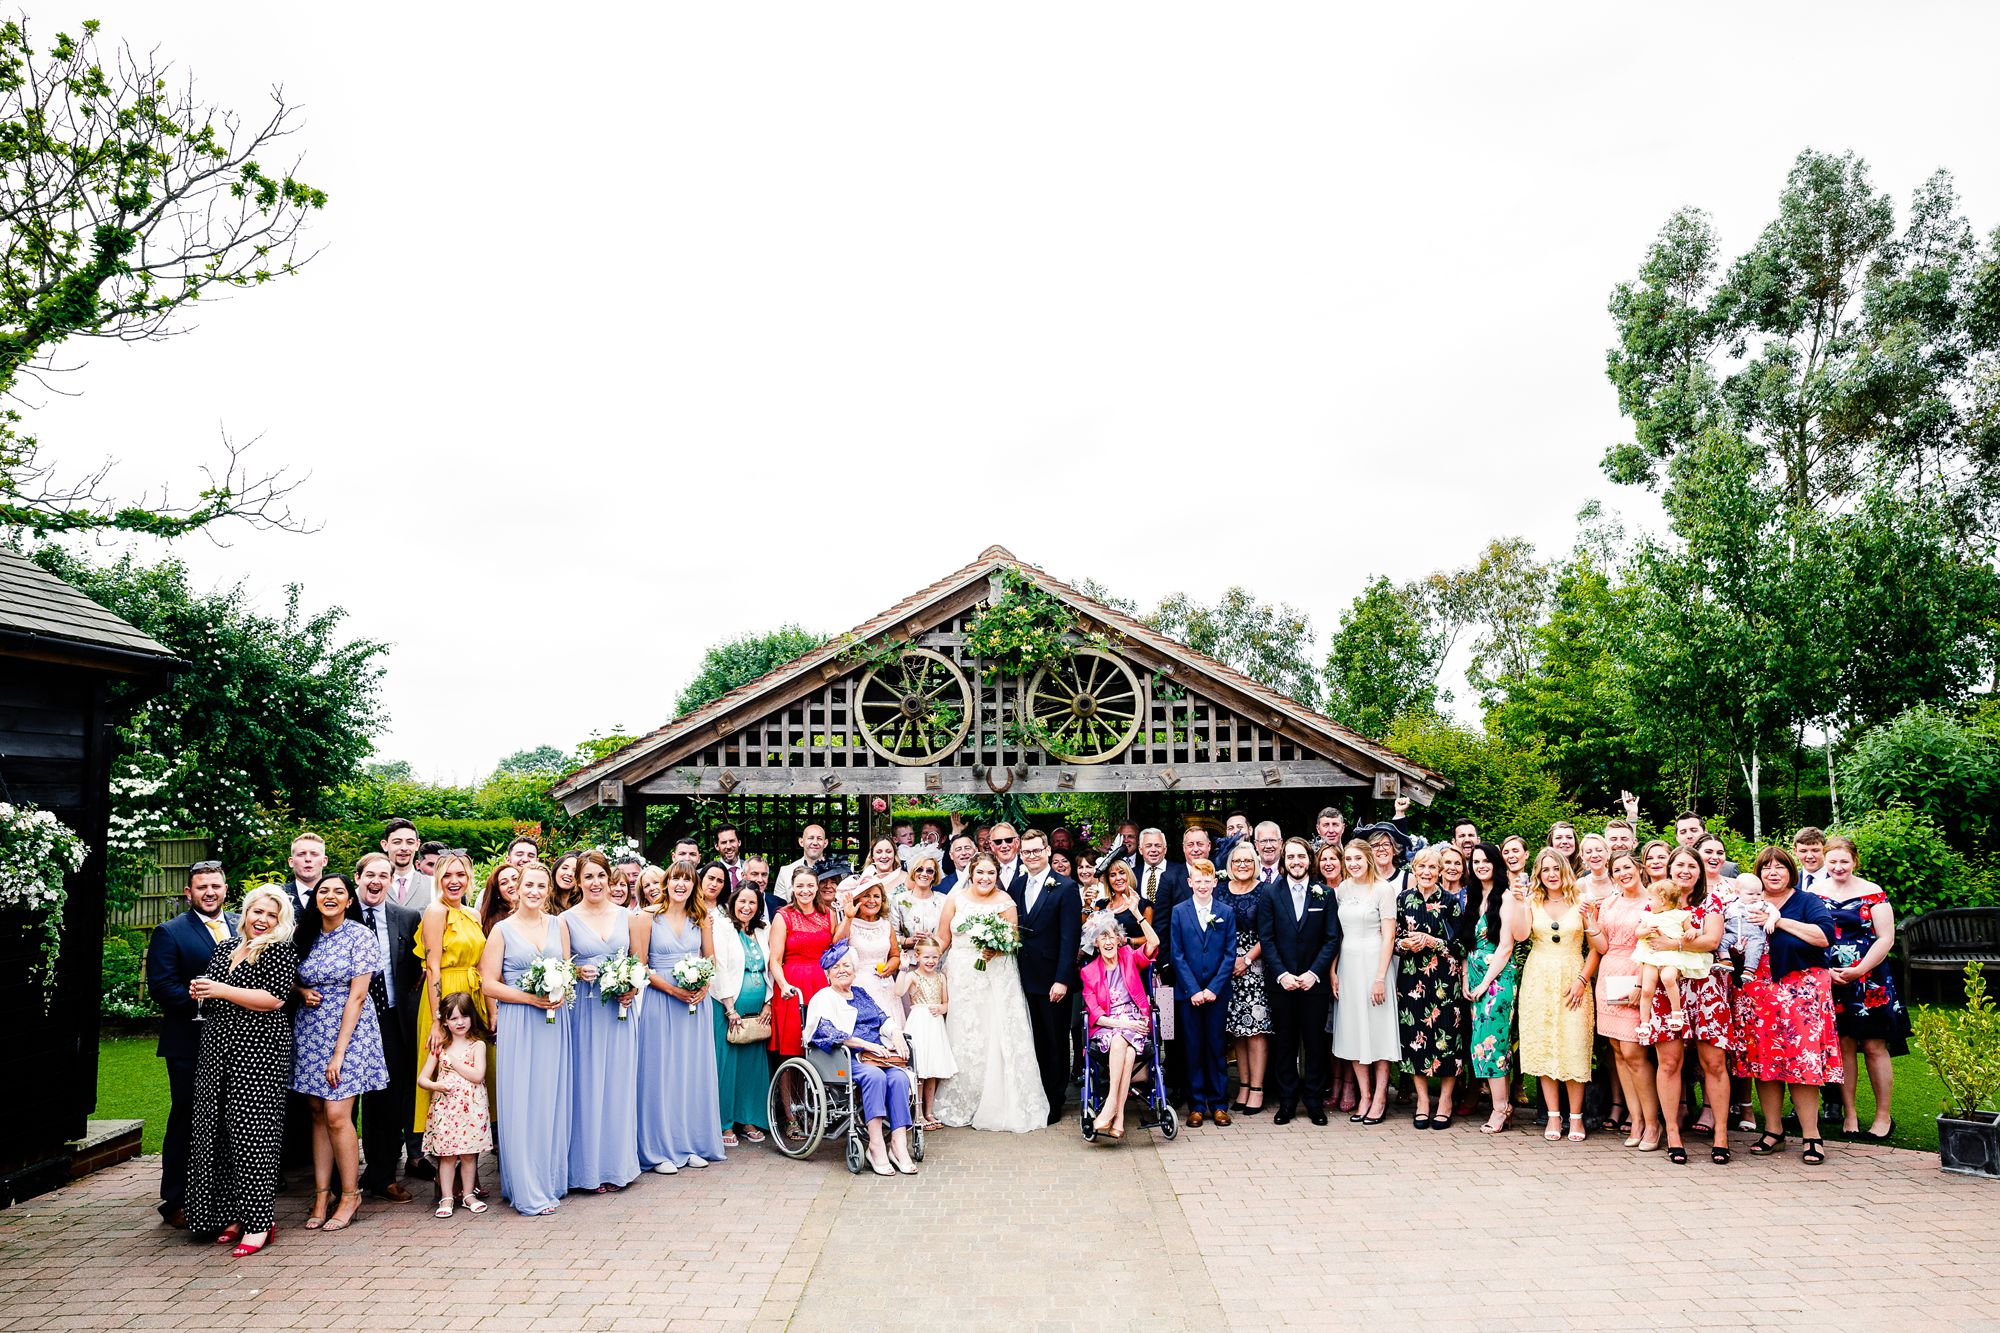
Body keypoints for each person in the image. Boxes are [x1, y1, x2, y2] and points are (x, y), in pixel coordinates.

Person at [184, 886, 300, 1256]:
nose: (262, 920)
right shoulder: (223, 949)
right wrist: (200, 990)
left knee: (254, 1134)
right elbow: (215, 992)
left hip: (258, 1052)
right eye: (257, 912)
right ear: (245, 913)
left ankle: (260, 1222)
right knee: (218, 1132)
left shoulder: (279, 950)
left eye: (271, 915)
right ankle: (234, 1213)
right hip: (218, 1049)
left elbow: (273, 999)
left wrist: (220, 989)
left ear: (280, 921)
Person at [291, 871, 389, 1232]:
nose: (330, 896)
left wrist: (339, 1053)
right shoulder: (304, 935)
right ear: (316, 898)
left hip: (350, 1031)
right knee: (317, 1111)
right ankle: (321, 1193)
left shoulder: (360, 936)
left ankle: (350, 1193)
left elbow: (359, 995)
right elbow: (290, 975)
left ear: (350, 900)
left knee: (336, 1113)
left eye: (338, 892)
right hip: (310, 1030)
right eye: (323, 891)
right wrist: (301, 992)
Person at [1733, 847, 1840, 1166]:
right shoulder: (1748, 901)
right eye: (1766, 868)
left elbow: (1824, 937)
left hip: (1801, 993)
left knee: (1802, 1065)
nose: (1773, 872)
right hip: (1758, 993)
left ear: (1791, 871)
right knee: (1765, 1064)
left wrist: (1778, 922)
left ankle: (1811, 1136)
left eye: (1780, 867)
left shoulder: (1806, 901)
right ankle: (1773, 1132)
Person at [147, 860, 237, 1229]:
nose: (210, 892)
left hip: (236, 1041)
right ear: (189, 892)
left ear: (225, 889)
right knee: (187, 1117)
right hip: (189, 1041)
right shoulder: (170, 932)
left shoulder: (242, 925)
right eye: (202, 887)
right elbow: (162, 987)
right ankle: (176, 1200)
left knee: (226, 1121)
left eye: (215, 886)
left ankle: (217, 1195)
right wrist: (209, 1000)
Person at [478, 861, 571, 1215]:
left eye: (540, 886)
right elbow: (489, 983)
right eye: (527, 885)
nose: (534, 891)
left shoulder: (557, 924)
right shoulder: (502, 930)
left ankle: (549, 1179)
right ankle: (526, 1187)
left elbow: (566, 967)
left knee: (550, 1098)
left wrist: (562, 989)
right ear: (516, 888)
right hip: (520, 1019)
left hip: (553, 1021)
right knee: (523, 1101)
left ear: (548, 891)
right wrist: (531, 997)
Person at [934, 852, 1049, 1132]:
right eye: (980, 873)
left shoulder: (1005, 901)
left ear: (997, 876)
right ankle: (964, 1099)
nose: (985, 878)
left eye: (991, 873)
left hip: (995, 977)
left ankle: (996, 1101)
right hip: (960, 977)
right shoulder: (955, 899)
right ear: (971, 873)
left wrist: (997, 946)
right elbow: (942, 938)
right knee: (962, 1034)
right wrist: (923, 959)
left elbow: (1014, 940)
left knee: (993, 1035)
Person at [1639, 845, 1734, 1164]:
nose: (1685, 871)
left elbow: (1711, 940)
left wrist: (1676, 943)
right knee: (1668, 1063)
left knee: (1715, 1063)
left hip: (1706, 988)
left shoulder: (1711, 901)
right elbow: (1646, 940)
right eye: (1678, 865)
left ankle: (1721, 1134)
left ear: (1700, 870)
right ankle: (1674, 1135)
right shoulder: (1657, 903)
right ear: (1669, 869)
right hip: (1668, 991)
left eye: (1691, 866)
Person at [1814, 836, 1909, 1143]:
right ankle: (1850, 1113)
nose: (1838, 867)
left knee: (1873, 1046)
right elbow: (1811, 935)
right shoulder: (1814, 893)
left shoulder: (1874, 893)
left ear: (1855, 861)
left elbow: (1886, 939)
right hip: (1831, 977)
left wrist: (1860, 969)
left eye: (1844, 861)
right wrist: (1826, 970)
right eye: (1833, 861)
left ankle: (1883, 1115)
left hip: (1869, 978)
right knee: (1843, 1045)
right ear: (1825, 862)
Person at [636, 861, 724, 1175]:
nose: (681, 884)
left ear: (693, 885)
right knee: (661, 1075)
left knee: (690, 1073)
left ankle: (690, 1144)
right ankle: (659, 1149)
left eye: (687, 880)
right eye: (675, 878)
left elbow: (709, 958)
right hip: (661, 1003)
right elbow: (640, 966)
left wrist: (703, 986)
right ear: (666, 882)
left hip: (694, 1006)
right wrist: (673, 990)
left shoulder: (701, 918)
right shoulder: (646, 918)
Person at [563, 850, 642, 1191]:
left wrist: (633, 987)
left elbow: (640, 962)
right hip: (585, 1010)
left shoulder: (628, 917)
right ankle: (588, 1171)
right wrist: (577, 971)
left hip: (619, 1012)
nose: (595, 883)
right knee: (587, 1086)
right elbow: (563, 966)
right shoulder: (565, 919)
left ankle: (617, 1166)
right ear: (579, 882)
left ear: (610, 880)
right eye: (588, 877)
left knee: (618, 1085)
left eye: (600, 876)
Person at [805, 943, 920, 1175]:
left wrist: (896, 1033)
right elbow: (826, 1032)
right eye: (835, 967)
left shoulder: (860, 994)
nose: (842, 970)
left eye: (847, 965)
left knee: (898, 1077)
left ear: (855, 970)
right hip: (844, 1058)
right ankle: (876, 1145)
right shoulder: (823, 997)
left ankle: (898, 1144)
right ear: (827, 973)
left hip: (876, 1055)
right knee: (875, 1077)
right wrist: (867, 1045)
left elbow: (881, 1018)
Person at [353, 853, 423, 1202]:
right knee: (346, 1103)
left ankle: (382, 1175)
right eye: (370, 874)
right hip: (348, 1022)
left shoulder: (406, 917)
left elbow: (415, 967)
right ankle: (342, 1180)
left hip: (392, 1018)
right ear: (359, 878)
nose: (376, 881)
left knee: (389, 1099)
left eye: (384, 875)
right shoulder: (339, 914)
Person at [1514, 847, 1596, 1143]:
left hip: (1573, 974)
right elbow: (1521, 936)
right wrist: (1523, 904)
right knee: (1544, 1044)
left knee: (1574, 1044)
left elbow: (1596, 947)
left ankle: (1576, 1117)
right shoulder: (1532, 901)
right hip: (1539, 977)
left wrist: (1581, 980)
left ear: (1565, 871)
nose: (1551, 874)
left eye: (1556, 868)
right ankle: (1552, 1115)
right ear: (1539, 873)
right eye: (1545, 869)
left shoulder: (1583, 902)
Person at [1259, 837, 1340, 1125]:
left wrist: (1312, 973)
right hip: (1281, 984)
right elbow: (1266, 939)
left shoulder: (1324, 895)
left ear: (1310, 860)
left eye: (1301, 857)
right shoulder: (1270, 894)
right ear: (1284, 861)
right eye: (1291, 857)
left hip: (1313, 983)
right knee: (1285, 1044)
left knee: (1315, 1044)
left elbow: (1332, 939)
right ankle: (1287, 1102)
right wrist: (1282, 974)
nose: (1296, 862)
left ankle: (1314, 1101)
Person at [413, 854, 489, 1153]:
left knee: (472, 1078)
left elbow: (482, 963)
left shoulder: (473, 914)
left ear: (469, 877)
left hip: (471, 997)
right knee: (444, 1074)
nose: (454, 881)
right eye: (446, 876)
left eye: (460, 874)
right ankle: (440, 1168)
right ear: (438, 880)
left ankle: (471, 1166)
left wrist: (488, 1009)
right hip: (444, 998)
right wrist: (436, 1020)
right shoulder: (435, 912)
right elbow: (432, 966)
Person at [1587, 851, 1662, 1151]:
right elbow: (1602, 945)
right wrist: (1589, 921)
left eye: (1627, 867)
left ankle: (1653, 1123)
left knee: (1634, 1052)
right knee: (1618, 1051)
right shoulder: (1611, 903)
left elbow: (1654, 944)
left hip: (1636, 973)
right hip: (1609, 976)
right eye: (1616, 869)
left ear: (1639, 868)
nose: (1622, 873)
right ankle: (1636, 1119)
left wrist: (1642, 984)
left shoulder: (1652, 902)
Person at [1005, 828, 1080, 1123]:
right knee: (1031, 1040)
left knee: (1055, 1042)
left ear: (1047, 851)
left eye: (1037, 850)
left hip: (1052, 979)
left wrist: (1062, 979)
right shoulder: (1017, 885)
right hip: (1022, 977)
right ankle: (1033, 1095)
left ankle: (1054, 1100)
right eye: (1027, 851)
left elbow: (1069, 938)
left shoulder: (1065, 887)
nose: (1032, 856)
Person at [1394, 846, 1465, 1129]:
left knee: (1447, 1037)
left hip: (1444, 981)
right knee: (1415, 1037)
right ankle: (1422, 1100)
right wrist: (1404, 944)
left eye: (1432, 868)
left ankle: (1445, 1100)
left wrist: (1432, 941)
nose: (1426, 872)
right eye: (1421, 867)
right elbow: (1393, 938)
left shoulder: (1450, 902)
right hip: (1412, 979)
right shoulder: (1403, 900)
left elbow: (1461, 944)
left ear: (1439, 872)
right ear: (1414, 870)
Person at [1331, 839, 1398, 1124]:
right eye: (1349, 860)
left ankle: (1381, 1097)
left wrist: (1380, 978)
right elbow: (1337, 935)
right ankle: (1365, 1095)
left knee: (1378, 1032)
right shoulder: (1342, 889)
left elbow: (1389, 936)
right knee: (1354, 1031)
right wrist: (1333, 971)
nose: (1353, 864)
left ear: (1368, 859)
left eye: (1358, 858)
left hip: (1375, 964)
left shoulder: (1383, 890)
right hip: (1348, 965)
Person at [1170, 858, 1236, 1127]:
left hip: (1216, 994)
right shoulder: (1179, 911)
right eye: (1197, 881)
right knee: (1193, 1048)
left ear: (1214, 882)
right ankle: (1197, 1105)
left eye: (1207, 881)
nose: (1202, 885)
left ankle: (1219, 1104)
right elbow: (1177, 954)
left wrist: (1213, 989)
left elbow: (1230, 954)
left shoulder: (1225, 912)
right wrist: (1194, 990)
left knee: (1216, 1047)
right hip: (1189, 994)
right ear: (1190, 883)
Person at [1462, 841, 1521, 1136]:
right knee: (1480, 1044)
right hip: (1474, 975)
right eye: (1476, 861)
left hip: (1497, 980)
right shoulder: (1473, 896)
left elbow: (1507, 946)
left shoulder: (1506, 897)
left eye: (1486, 861)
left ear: (1496, 864)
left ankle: (1500, 1108)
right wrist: (1465, 977)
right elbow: (1467, 944)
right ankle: (1502, 1104)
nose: (1481, 865)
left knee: (1492, 1044)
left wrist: (1485, 982)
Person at [415, 992, 492, 1217]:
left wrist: (454, 1063)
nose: (459, 1022)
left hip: (471, 1109)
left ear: (472, 1018)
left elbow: (478, 1075)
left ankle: (468, 1194)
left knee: (469, 1155)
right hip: (446, 1110)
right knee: (446, 1156)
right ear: (445, 1021)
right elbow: (422, 1079)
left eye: (464, 1017)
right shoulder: (440, 1047)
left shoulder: (477, 1045)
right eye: (453, 1018)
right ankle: (446, 1197)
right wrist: (437, 1086)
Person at [1081, 917, 1155, 1138]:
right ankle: (1118, 1114)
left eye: (1111, 935)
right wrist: (1127, 1024)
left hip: (1135, 1020)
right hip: (1111, 1026)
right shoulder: (1089, 972)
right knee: (1124, 1046)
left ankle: (1111, 1106)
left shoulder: (1129, 958)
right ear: (1095, 943)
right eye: (1102, 937)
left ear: (1119, 939)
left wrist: (1137, 913)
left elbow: (1154, 942)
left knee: (1123, 1042)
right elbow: (1098, 1017)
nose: (1107, 941)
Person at [713, 881, 773, 1144]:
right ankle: (725, 1123)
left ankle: (748, 1119)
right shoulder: (723, 928)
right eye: (742, 901)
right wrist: (729, 1007)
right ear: (733, 902)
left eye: (752, 902)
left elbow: (769, 968)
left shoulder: (763, 930)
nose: (746, 907)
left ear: (758, 906)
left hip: (756, 1011)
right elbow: (720, 967)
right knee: (728, 1068)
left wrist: (768, 1002)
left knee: (752, 1069)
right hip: (730, 1009)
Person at [1222, 842, 1271, 1116]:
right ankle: (1242, 1085)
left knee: (1256, 1030)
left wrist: (1248, 959)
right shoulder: (1221, 890)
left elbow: (1269, 931)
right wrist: (1229, 961)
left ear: (1255, 863)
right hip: (1227, 965)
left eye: (1248, 861)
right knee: (1237, 1031)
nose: (1242, 865)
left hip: (1256, 965)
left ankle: (1257, 1088)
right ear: (1230, 864)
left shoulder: (1265, 891)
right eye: (1238, 861)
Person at [768, 865, 836, 1058]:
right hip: (792, 985)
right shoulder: (783, 916)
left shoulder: (828, 914)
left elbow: (836, 948)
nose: (805, 890)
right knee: (792, 1046)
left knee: (821, 1044)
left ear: (816, 888)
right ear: (792, 888)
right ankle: (788, 1088)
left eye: (809, 885)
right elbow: (775, 960)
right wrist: (783, 985)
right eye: (799, 886)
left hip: (821, 983)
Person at [1634, 876, 1710, 1032]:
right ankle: (1644, 1023)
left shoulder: (1680, 915)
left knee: (1668, 978)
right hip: (1651, 956)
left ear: (1662, 900)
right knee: (1647, 989)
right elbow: (1638, 933)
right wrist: (1647, 931)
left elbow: (1690, 928)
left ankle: (1676, 1014)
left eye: (1651, 899)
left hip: (1671, 957)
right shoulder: (1648, 916)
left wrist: (1691, 932)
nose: (1648, 903)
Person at [897, 940, 957, 1128]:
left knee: (933, 1071)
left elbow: (947, 1003)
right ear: (917, 957)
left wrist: (941, 1008)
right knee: (920, 1070)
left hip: (935, 1024)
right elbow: (898, 991)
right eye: (926, 957)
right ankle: (918, 1114)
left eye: (934, 957)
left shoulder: (941, 978)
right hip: (919, 1024)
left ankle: (929, 1112)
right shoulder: (912, 976)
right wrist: (902, 968)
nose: (930, 961)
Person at [835, 879, 902, 1017]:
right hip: (859, 986)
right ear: (857, 899)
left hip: (885, 987)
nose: (872, 900)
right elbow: (837, 946)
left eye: (876, 896)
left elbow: (895, 955)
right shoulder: (849, 923)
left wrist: (891, 965)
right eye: (866, 896)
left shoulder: (886, 925)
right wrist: (848, 918)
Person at [890, 856, 946, 979]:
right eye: (919, 869)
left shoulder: (944, 901)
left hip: (937, 965)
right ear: (913, 872)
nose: (924, 874)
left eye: (929, 871)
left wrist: (933, 940)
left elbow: (948, 935)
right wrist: (909, 941)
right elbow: (891, 937)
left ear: (935, 875)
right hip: (909, 966)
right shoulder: (899, 900)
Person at [381, 818, 433, 911]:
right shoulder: (372, 885)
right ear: (385, 845)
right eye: (397, 842)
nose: (404, 848)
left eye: (410, 842)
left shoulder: (433, 885)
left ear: (417, 845)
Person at [279, 832, 328, 920]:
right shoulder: (278, 895)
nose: (308, 859)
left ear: (324, 861)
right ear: (291, 862)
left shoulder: (338, 897)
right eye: (301, 854)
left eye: (314, 854)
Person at [778, 823, 831, 890]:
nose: (815, 843)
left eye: (819, 839)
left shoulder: (836, 871)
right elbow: (778, 900)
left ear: (825, 843)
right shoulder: (786, 872)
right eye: (810, 838)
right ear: (801, 842)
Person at [477, 862, 521, 939]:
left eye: (515, 879)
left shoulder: (538, 913)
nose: (511, 885)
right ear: (498, 892)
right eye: (504, 883)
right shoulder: (495, 924)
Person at [1791, 827, 1826, 891]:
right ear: (1795, 851)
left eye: (1815, 850)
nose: (1809, 856)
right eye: (1803, 851)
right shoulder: (1791, 882)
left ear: (1825, 850)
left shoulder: (1838, 879)